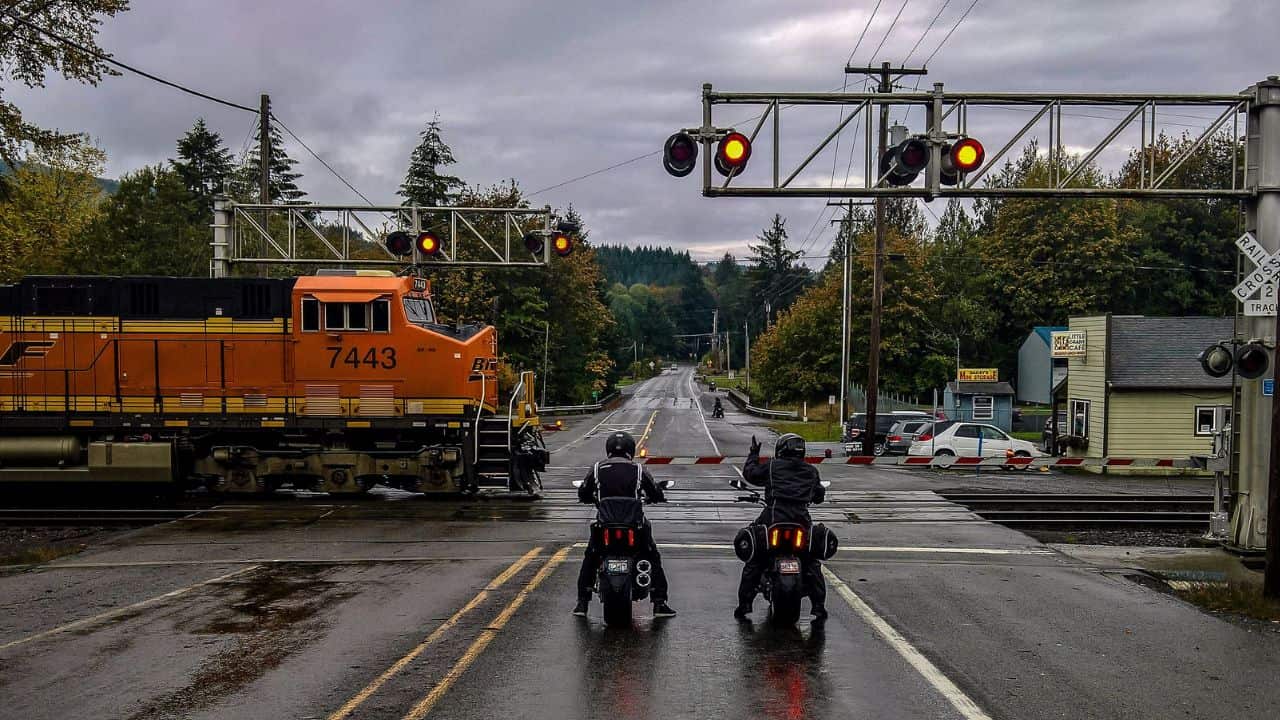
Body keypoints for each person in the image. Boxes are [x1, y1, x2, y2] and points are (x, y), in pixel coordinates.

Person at [575, 431, 676, 618]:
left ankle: (582, 602)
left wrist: (587, 496)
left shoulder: (597, 468)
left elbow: (583, 493)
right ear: (631, 448)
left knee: (591, 555)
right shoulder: (638, 469)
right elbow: (654, 491)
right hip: (634, 525)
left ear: (608, 449)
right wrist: (657, 496)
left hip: (605, 525)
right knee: (652, 555)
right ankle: (659, 602)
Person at [735, 432, 827, 621]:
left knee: (755, 559)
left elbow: (750, 473)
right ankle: (818, 607)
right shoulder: (811, 471)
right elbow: (819, 496)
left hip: (774, 518)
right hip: (801, 520)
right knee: (811, 562)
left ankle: (745, 605)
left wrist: (753, 453)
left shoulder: (771, 467)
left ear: (781, 449)